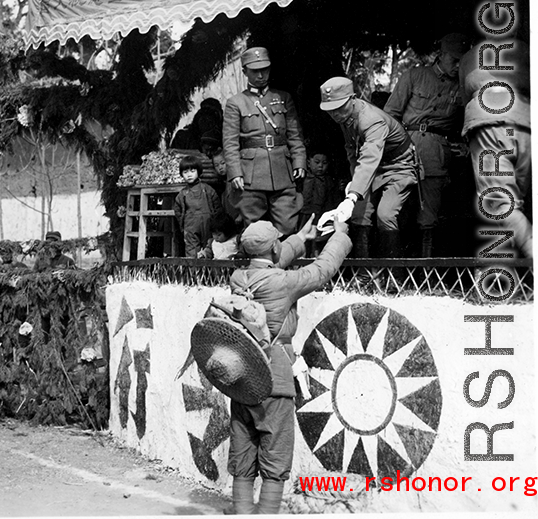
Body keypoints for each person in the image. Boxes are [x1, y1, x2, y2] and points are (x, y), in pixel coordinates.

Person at [227, 215, 352, 514]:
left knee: (243, 452)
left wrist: (300, 239)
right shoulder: (283, 283)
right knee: (275, 455)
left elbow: (266, 262)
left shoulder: (237, 279)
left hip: (241, 374)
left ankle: (242, 513)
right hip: (275, 376)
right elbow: (322, 270)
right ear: (273, 249)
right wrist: (339, 236)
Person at [384, 33, 471, 256]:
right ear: (441, 56)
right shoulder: (414, 76)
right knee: (397, 211)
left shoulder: (463, 87)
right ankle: (396, 272)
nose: (458, 65)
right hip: (405, 151)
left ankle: (426, 276)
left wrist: (463, 145)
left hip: (436, 155)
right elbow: (389, 116)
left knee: (429, 217)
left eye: (463, 61)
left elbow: (467, 123)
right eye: (454, 59)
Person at [318, 76, 417, 258]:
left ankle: (393, 278)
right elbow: (352, 153)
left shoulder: (371, 119)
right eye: (330, 110)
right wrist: (354, 187)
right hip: (371, 169)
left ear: (352, 98)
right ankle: (365, 277)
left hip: (398, 167)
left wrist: (352, 195)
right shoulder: (346, 117)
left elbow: (369, 157)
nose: (335, 114)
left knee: (385, 215)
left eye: (339, 108)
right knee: (359, 216)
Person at [222, 47, 306, 236]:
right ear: (245, 72)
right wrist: (235, 172)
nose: (260, 75)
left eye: (265, 69)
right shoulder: (236, 102)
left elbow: (294, 134)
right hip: (251, 174)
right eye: (254, 71)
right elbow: (230, 142)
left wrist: (299, 161)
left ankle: (287, 264)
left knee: (287, 226)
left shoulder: (283, 98)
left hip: (282, 171)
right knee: (254, 228)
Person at [459, 39, 531, 257]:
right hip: (525, 123)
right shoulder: (525, 49)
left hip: (488, 124)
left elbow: (464, 99)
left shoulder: (468, 58)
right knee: (518, 203)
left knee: (500, 204)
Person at [173, 154, 223, 258]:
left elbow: (217, 208)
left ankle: (208, 274)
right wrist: (185, 226)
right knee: (192, 252)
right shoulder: (182, 195)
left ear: (198, 171)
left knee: (209, 250)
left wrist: (215, 224)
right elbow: (178, 212)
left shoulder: (208, 190)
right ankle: (194, 274)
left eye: (192, 171)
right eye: (185, 172)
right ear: (181, 174)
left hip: (208, 225)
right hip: (190, 226)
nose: (189, 175)